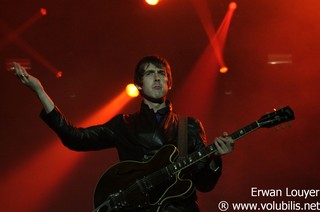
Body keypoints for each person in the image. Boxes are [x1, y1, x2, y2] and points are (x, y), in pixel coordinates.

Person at [12, 55, 234, 212]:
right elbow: (75, 138)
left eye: (161, 74)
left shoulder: (189, 126)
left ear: (169, 83)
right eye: (150, 73)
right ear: (138, 85)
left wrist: (216, 160)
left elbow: (204, 184)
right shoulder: (125, 124)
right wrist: (40, 91)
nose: (157, 78)